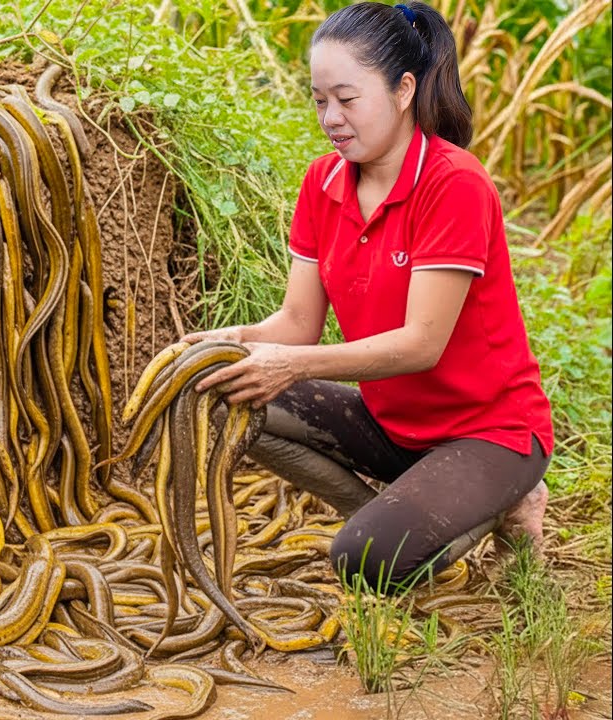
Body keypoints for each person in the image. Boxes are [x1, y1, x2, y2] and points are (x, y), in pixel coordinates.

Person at [183, 1, 553, 592]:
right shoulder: (321, 182)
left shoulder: (454, 184)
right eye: (319, 99)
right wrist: (231, 342)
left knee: (367, 564)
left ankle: (504, 498)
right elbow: (298, 323)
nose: (331, 117)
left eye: (347, 99)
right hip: (394, 425)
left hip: (487, 434)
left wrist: (292, 366)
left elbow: (420, 345)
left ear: (404, 90)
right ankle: (388, 515)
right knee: (232, 391)